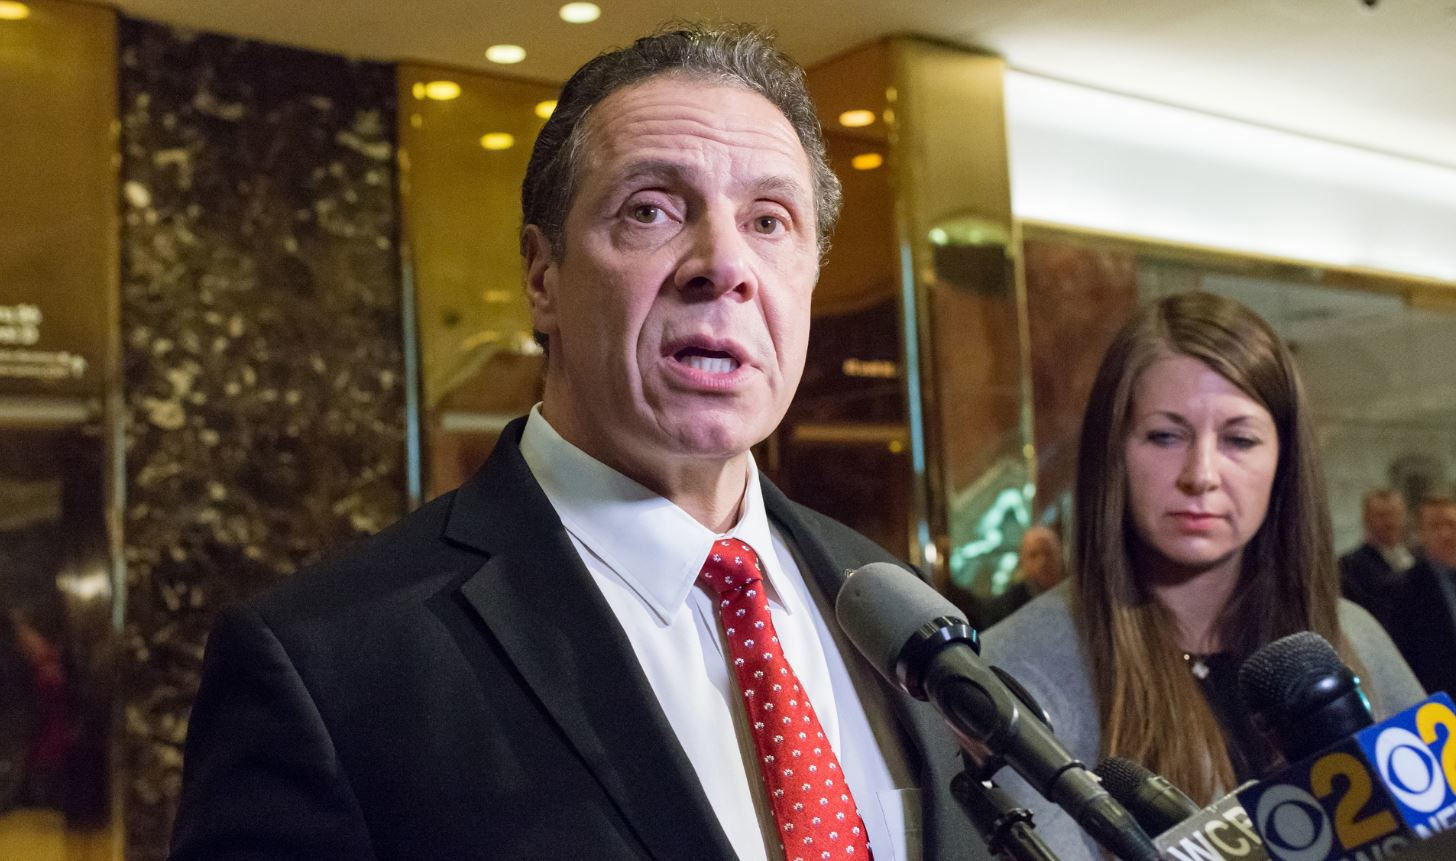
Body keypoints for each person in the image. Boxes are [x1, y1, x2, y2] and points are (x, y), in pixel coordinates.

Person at [169, 24, 984, 861]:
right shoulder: (329, 666)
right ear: (540, 276)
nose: (724, 263)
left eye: (770, 220)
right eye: (651, 210)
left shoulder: (894, 612)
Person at [981, 292, 1424, 861]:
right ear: (1114, 453)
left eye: (1239, 439)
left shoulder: (1352, 640)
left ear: (1285, 462)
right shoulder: (1020, 673)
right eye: (1166, 436)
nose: (1202, 475)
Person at [1389, 495, 1456, 697]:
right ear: (1421, 533)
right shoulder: (1402, 588)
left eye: (1451, 524)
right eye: (1435, 526)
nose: (1446, 534)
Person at [1339, 488, 1414, 635]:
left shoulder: (1418, 559)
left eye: (1395, 514)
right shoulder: (1350, 565)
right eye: (1382, 515)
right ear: (1366, 519)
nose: (1390, 522)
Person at [974, 526, 1065, 630]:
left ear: (1060, 555)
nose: (1042, 562)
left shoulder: (1076, 598)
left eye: (1048, 553)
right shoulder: (1005, 608)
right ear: (1023, 561)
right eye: (1033, 555)